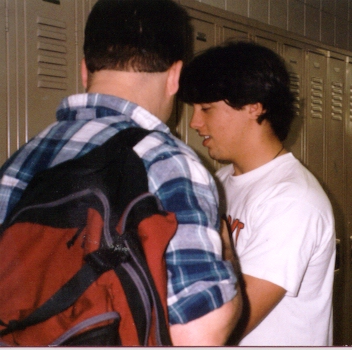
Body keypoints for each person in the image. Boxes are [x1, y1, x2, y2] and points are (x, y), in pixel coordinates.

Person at [0, 0, 242, 345]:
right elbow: (199, 332)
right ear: (174, 76)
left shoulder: (22, 160)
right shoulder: (168, 162)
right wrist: (230, 263)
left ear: (84, 70)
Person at [179, 40, 335, 346]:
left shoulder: (292, 201)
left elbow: (228, 327)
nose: (195, 123)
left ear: (254, 106)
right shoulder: (221, 180)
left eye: (206, 109)